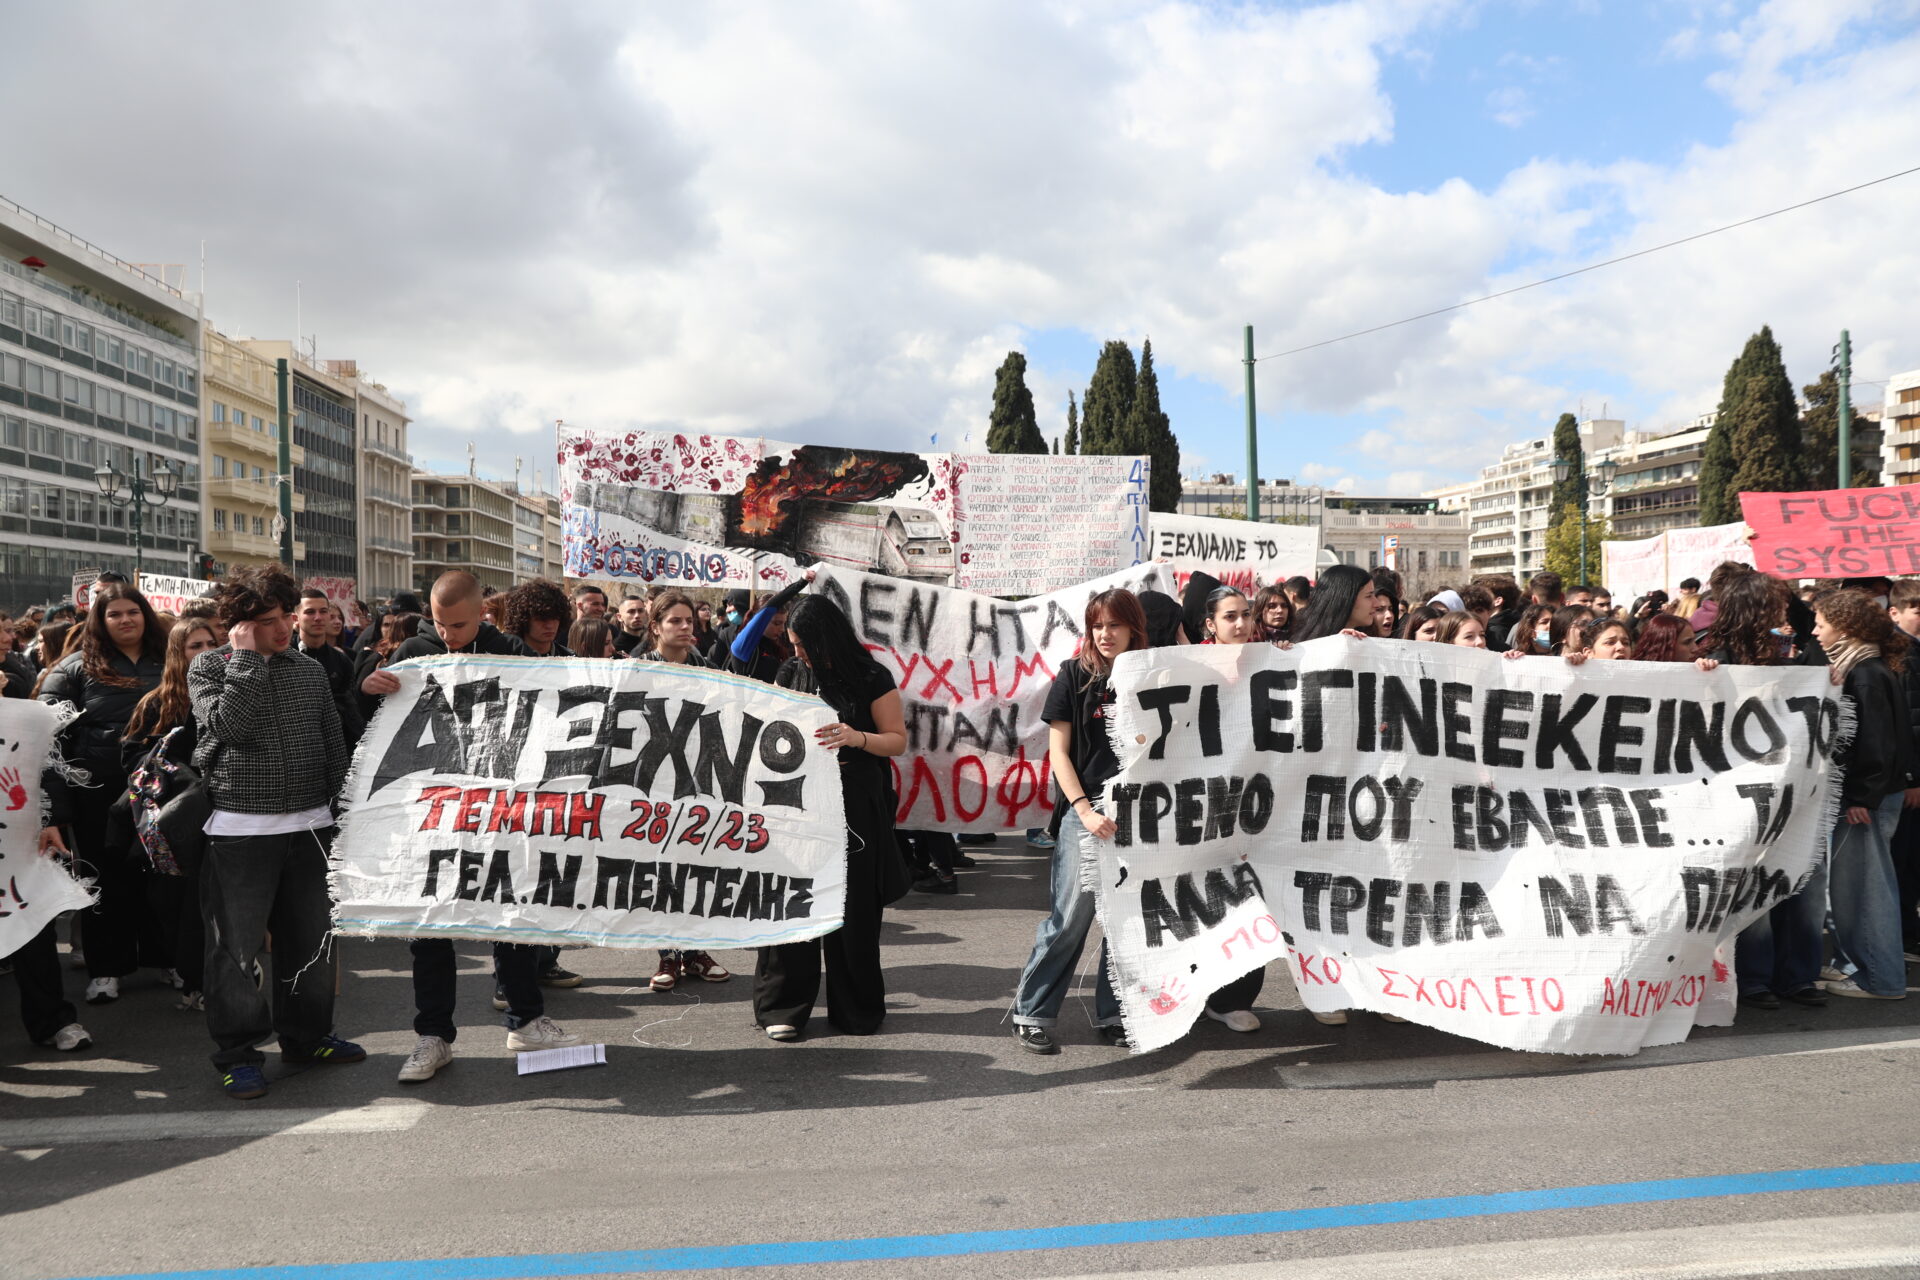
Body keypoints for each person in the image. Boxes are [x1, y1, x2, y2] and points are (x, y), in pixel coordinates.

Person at [362, 571, 580, 1083]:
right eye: (439, 623)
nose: (448, 634)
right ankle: (432, 1035)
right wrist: (367, 687)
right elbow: (375, 727)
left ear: (483, 610)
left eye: (458, 624)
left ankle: (525, 1019)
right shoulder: (413, 651)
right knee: (431, 927)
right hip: (433, 814)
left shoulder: (510, 651)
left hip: (497, 811)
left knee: (511, 913)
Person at [189, 564, 365, 1099]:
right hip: (240, 830)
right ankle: (238, 1053)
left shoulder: (309, 670)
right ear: (239, 625)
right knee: (235, 950)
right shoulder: (210, 668)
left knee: (312, 943)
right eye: (266, 621)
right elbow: (229, 728)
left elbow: (333, 744)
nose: (282, 628)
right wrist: (245, 661)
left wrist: (347, 811)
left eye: (284, 617)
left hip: (312, 825)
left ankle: (307, 1037)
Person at [754, 591, 907, 1041]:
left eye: (805, 645)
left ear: (830, 639)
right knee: (791, 899)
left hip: (856, 807)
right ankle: (783, 1006)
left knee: (853, 908)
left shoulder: (871, 676)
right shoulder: (790, 672)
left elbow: (896, 740)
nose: (798, 654)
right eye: (794, 644)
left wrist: (856, 737)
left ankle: (856, 1009)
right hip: (796, 803)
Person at [1011, 588, 1144, 1054]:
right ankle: (1031, 1012)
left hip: (1142, 818)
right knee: (1070, 919)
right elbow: (1058, 754)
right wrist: (1085, 810)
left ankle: (1115, 1013)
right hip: (1084, 817)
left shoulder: (1154, 674)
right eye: (1097, 625)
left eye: (1115, 625)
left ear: (1133, 627)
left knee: (1126, 921)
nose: (1105, 634)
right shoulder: (1073, 676)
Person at [39, 582, 167, 1005]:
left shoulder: (169, 660)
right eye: (115, 614)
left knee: (161, 880)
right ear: (100, 620)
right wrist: (57, 809)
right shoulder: (73, 669)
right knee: (102, 881)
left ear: (145, 614)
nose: (125, 619)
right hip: (95, 795)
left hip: (161, 792)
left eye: (132, 611)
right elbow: (46, 742)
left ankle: (166, 959)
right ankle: (106, 969)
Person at [1717, 572, 1825, 1010]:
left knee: (1803, 884)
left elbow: (1817, 678)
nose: (1785, 613)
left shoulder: (1796, 653)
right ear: (1757, 609)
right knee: (1757, 883)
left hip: (1798, 788)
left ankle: (1799, 975)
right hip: (1747, 791)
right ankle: (1756, 977)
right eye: (1776, 605)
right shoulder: (1721, 656)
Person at [1813, 589, 1917, 1000]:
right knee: (1861, 886)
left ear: (1845, 627)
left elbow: (1875, 743)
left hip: (1866, 799)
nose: (1816, 630)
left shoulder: (1866, 673)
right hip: (1874, 795)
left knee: (1865, 888)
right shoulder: (1866, 667)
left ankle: (1878, 978)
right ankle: (1862, 968)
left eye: (1821, 622)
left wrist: (1860, 798)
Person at [121, 617, 222, 1012]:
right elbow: (132, 759)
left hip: (224, 812)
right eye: (194, 645)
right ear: (178, 654)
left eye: (210, 643)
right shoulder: (158, 702)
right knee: (175, 902)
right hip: (173, 821)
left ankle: (209, 978)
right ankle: (189, 976)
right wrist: (177, 776)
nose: (204, 652)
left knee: (212, 902)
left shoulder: (230, 692)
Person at [636, 590, 733, 992]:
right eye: (674, 621)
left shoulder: (706, 668)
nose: (684, 627)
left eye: (689, 621)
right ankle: (668, 954)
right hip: (652, 783)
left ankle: (695, 951)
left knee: (696, 866)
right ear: (655, 626)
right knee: (661, 869)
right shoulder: (636, 670)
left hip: (696, 781)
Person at [1889, 581, 1920, 964]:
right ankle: (1904, 934)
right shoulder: (1902, 655)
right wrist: (1914, 779)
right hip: (1910, 781)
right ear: (1895, 612)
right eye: (1917, 609)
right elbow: (1911, 724)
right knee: (1905, 861)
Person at [295, 589, 365, 747]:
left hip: (332, 745)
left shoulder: (342, 661)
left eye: (323, 611)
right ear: (296, 618)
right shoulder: (282, 655)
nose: (318, 618)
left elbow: (351, 713)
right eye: (310, 612)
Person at [1290, 564, 1380, 644]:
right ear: (1346, 599)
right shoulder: (1304, 648)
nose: (1377, 604)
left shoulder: (1372, 641)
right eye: (1369, 596)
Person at [501, 579, 573, 657]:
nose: (550, 626)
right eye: (542, 619)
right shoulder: (503, 657)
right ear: (524, 619)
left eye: (555, 618)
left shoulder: (570, 660)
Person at [1630, 614, 1720, 670]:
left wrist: (1707, 674)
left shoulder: (1700, 668)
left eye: (1694, 641)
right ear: (1664, 646)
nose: (1696, 648)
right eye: (1687, 642)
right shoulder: (1635, 676)